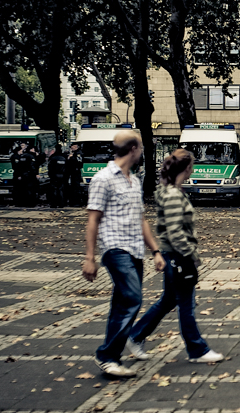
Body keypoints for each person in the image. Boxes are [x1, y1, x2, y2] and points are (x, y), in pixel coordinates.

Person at [82, 131, 166, 378]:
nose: (142, 152)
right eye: (141, 147)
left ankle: (110, 358)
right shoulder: (103, 179)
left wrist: (155, 251)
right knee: (132, 298)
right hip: (114, 248)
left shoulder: (134, 180)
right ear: (133, 149)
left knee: (122, 302)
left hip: (134, 250)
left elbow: (141, 220)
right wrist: (90, 257)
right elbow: (93, 219)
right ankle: (106, 354)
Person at [127, 149, 223, 365]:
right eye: (192, 166)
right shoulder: (172, 195)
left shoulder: (170, 191)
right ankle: (197, 349)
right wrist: (191, 255)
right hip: (178, 256)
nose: (193, 169)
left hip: (173, 255)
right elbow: (174, 231)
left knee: (168, 300)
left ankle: (135, 335)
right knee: (186, 305)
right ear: (187, 169)